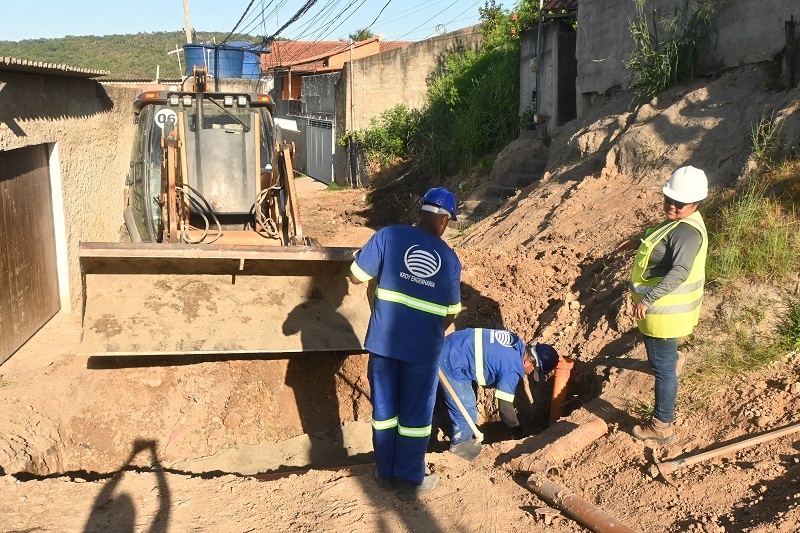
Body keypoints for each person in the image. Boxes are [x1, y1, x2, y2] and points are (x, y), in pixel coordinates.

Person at [348, 187, 462, 501]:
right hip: (423, 351)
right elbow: (451, 312)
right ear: (444, 223)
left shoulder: (388, 236)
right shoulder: (450, 260)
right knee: (415, 419)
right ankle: (409, 480)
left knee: (385, 411)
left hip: (384, 345)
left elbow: (357, 275)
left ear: (421, 212)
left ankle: (384, 474)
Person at [617, 165, 709, 444]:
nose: (672, 206)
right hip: (664, 312)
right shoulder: (681, 223)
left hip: (662, 314)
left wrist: (648, 299)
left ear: (695, 203)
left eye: (680, 204)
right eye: (669, 199)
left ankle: (662, 426)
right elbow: (660, 236)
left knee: (663, 371)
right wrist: (637, 241)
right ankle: (673, 359)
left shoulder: (687, 234)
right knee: (666, 361)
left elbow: (679, 272)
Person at [438, 328, 559, 454]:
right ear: (528, 361)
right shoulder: (512, 370)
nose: (529, 374)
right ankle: (460, 450)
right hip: (450, 362)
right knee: (467, 413)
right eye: (533, 370)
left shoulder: (516, 342)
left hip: (453, 341)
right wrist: (517, 431)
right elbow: (505, 409)